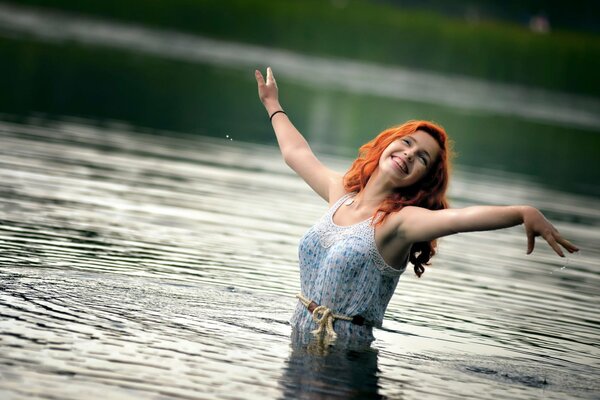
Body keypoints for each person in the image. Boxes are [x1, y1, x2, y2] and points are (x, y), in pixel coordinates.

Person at [255, 67, 578, 344]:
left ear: (423, 180)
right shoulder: (340, 193)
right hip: (298, 337)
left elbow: (460, 218)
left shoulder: (400, 223)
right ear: (388, 144)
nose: (409, 154)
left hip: (345, 358)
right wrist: (273, 104)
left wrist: (523, 213)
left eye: (422, 158)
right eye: (407, 143)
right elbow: (296, 154)